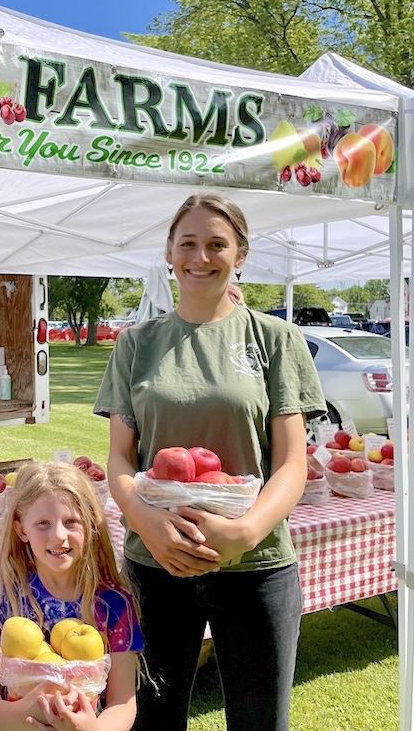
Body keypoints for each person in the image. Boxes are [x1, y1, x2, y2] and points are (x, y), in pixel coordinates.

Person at [94, 192, 325, 731]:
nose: (200, 257)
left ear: (240, 254)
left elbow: (292, 463)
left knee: (259, 721)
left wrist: (245, 532)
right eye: (188, 243)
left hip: (256, 565)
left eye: (217, 244)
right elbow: (120, 458)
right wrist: (145, 522)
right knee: (151, 720)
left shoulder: (275, 339)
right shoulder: (136, 344)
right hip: (157, 563)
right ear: (169, 253)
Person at [0, 461, 143, 730]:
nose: (59, 535)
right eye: (43, 523)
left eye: (71, 522)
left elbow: (123, 702)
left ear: (90, 524)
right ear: (21, 529)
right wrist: (25, 711)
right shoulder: (2, 602)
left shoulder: (113, 604)